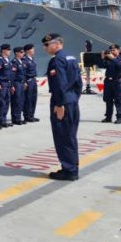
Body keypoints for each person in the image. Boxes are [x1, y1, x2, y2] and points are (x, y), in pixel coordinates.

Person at [43, 33, 82, 181]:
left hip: (62, 102)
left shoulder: (57, 60)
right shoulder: (71, 58)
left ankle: (69, 170)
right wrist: (74, 99)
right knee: (70, 136)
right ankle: (72, 167)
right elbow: (78, 82)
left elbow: (60, 84)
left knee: (63, 136)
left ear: (57, 43)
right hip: (71, 100)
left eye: (47, 45)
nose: (45, 48)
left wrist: (60, 104)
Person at [101, 45, 121, 124]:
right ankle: (108, 117)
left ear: (118, 50)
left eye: (114, 50)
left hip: (117, 81)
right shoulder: (108, 59)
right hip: (108, 81)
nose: (112, 51)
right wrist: (102, 58)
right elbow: (101, 65)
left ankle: (120, 117)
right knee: (108, 100)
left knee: (118, 100)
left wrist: (113, 58)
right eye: (111, 50)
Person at [0, 44, 12, 128]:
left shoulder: (8, 60)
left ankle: (4, 119)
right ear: (4, 51)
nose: (10, 51)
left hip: (8, 83)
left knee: (7, 102)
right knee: (1, 102)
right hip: (2, 84)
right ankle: (1, 120)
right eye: (8, 50)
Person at [22, 43, 40, 122]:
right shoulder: (24, 60)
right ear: (28, 50)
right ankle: (27, 116)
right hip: (28, 81)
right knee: (28, 99)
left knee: (34, 98)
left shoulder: (32, 59)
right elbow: (23, 72)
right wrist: (24, 82)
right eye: (32, 49)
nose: (34, 50)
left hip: (33, 80)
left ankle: (32, 115)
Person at [10, 47, 27, 125]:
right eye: (21, 52)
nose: (23, 53)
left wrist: (24, 82)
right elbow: (13, 75)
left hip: (21, 83)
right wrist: (12, 85)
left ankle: (19, 117)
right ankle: (15, 119)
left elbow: (23, 74)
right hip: (16, 83)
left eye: (23, 52)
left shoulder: (22, 62)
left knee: (21, 101)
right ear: (16, 53)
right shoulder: (14, 62)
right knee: (16, 101)